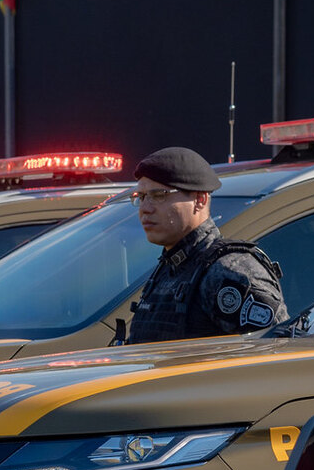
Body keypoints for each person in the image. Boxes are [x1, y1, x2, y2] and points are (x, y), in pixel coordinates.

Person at [122, 147, 286, 344]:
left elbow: (274, 355)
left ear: (200, 200)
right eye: (141, 197)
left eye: (159, 195)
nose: (145, 209)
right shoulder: (171, 267)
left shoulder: (227, 272)